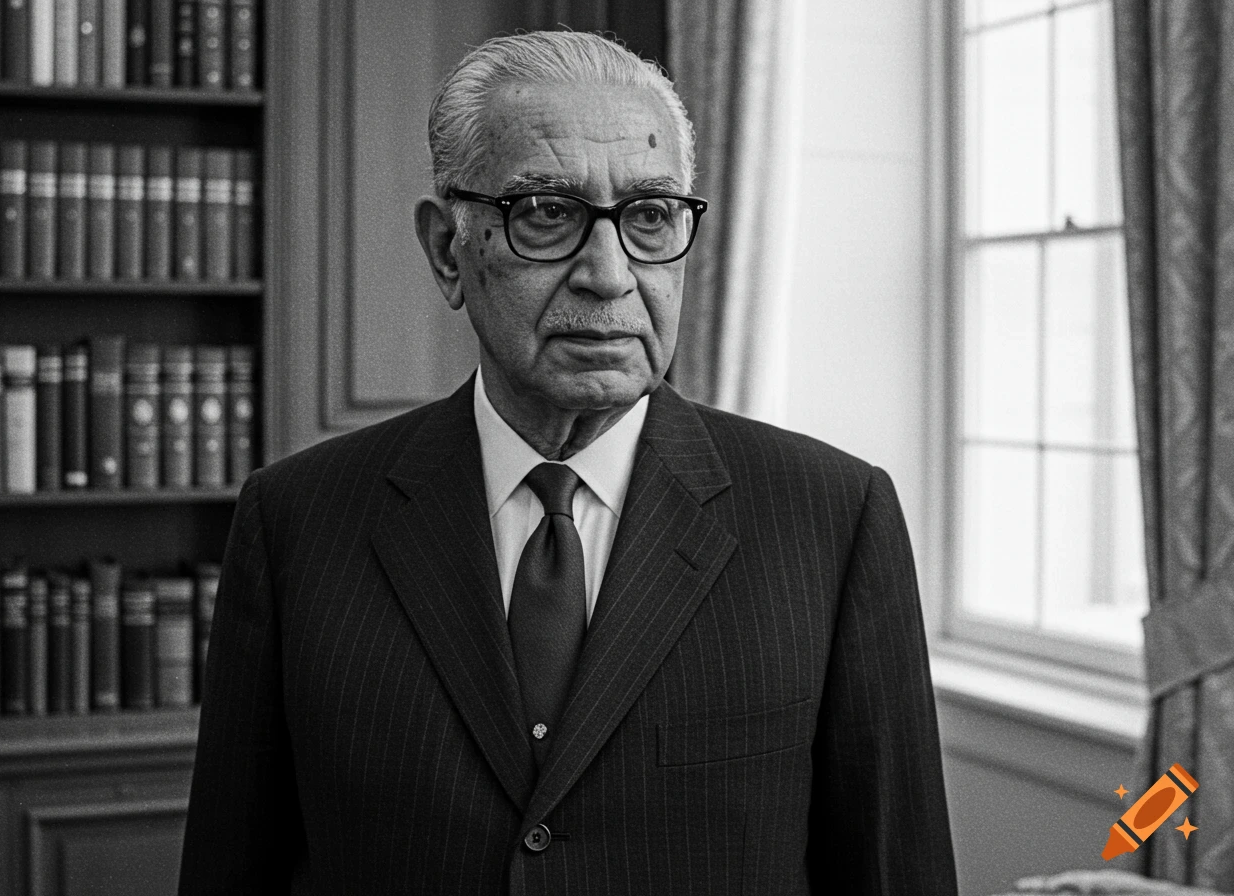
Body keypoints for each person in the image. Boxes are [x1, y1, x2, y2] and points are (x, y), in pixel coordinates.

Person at [178, 30, 957, 896]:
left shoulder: (834, 518)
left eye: (650, 216)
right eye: (546, 212)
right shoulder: (295, 522)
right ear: (448, 251)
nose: (609, 274)